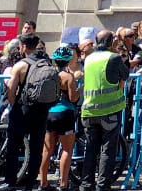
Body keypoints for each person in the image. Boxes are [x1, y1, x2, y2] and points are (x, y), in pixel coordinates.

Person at [3, 34, 57, 190]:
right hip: (42, 109)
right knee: (36, 147)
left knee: (13, 145)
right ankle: (31, 181)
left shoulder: (20, 65)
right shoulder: (47, 63)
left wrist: (15, 107)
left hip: (23, 108)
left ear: (24, 46)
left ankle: (11, 181)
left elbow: (11, 91)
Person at [79, 30, 131, 191]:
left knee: (90, 149)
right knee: (107, 151)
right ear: (110, 42)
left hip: (89, 110)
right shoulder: (113, 57)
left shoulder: (89, 59)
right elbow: (125, 74)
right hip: (109, 110)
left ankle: (86, 184)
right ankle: (103, 185)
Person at [39, 46, 81, 191]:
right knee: (67, 149)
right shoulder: (68, 77)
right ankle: (63, 184)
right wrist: (81, 87)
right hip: (65, 113)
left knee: (47, 150)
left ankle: (43, 182)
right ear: (68, 61)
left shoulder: (48, 74)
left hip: (49, 113)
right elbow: (73, 97)